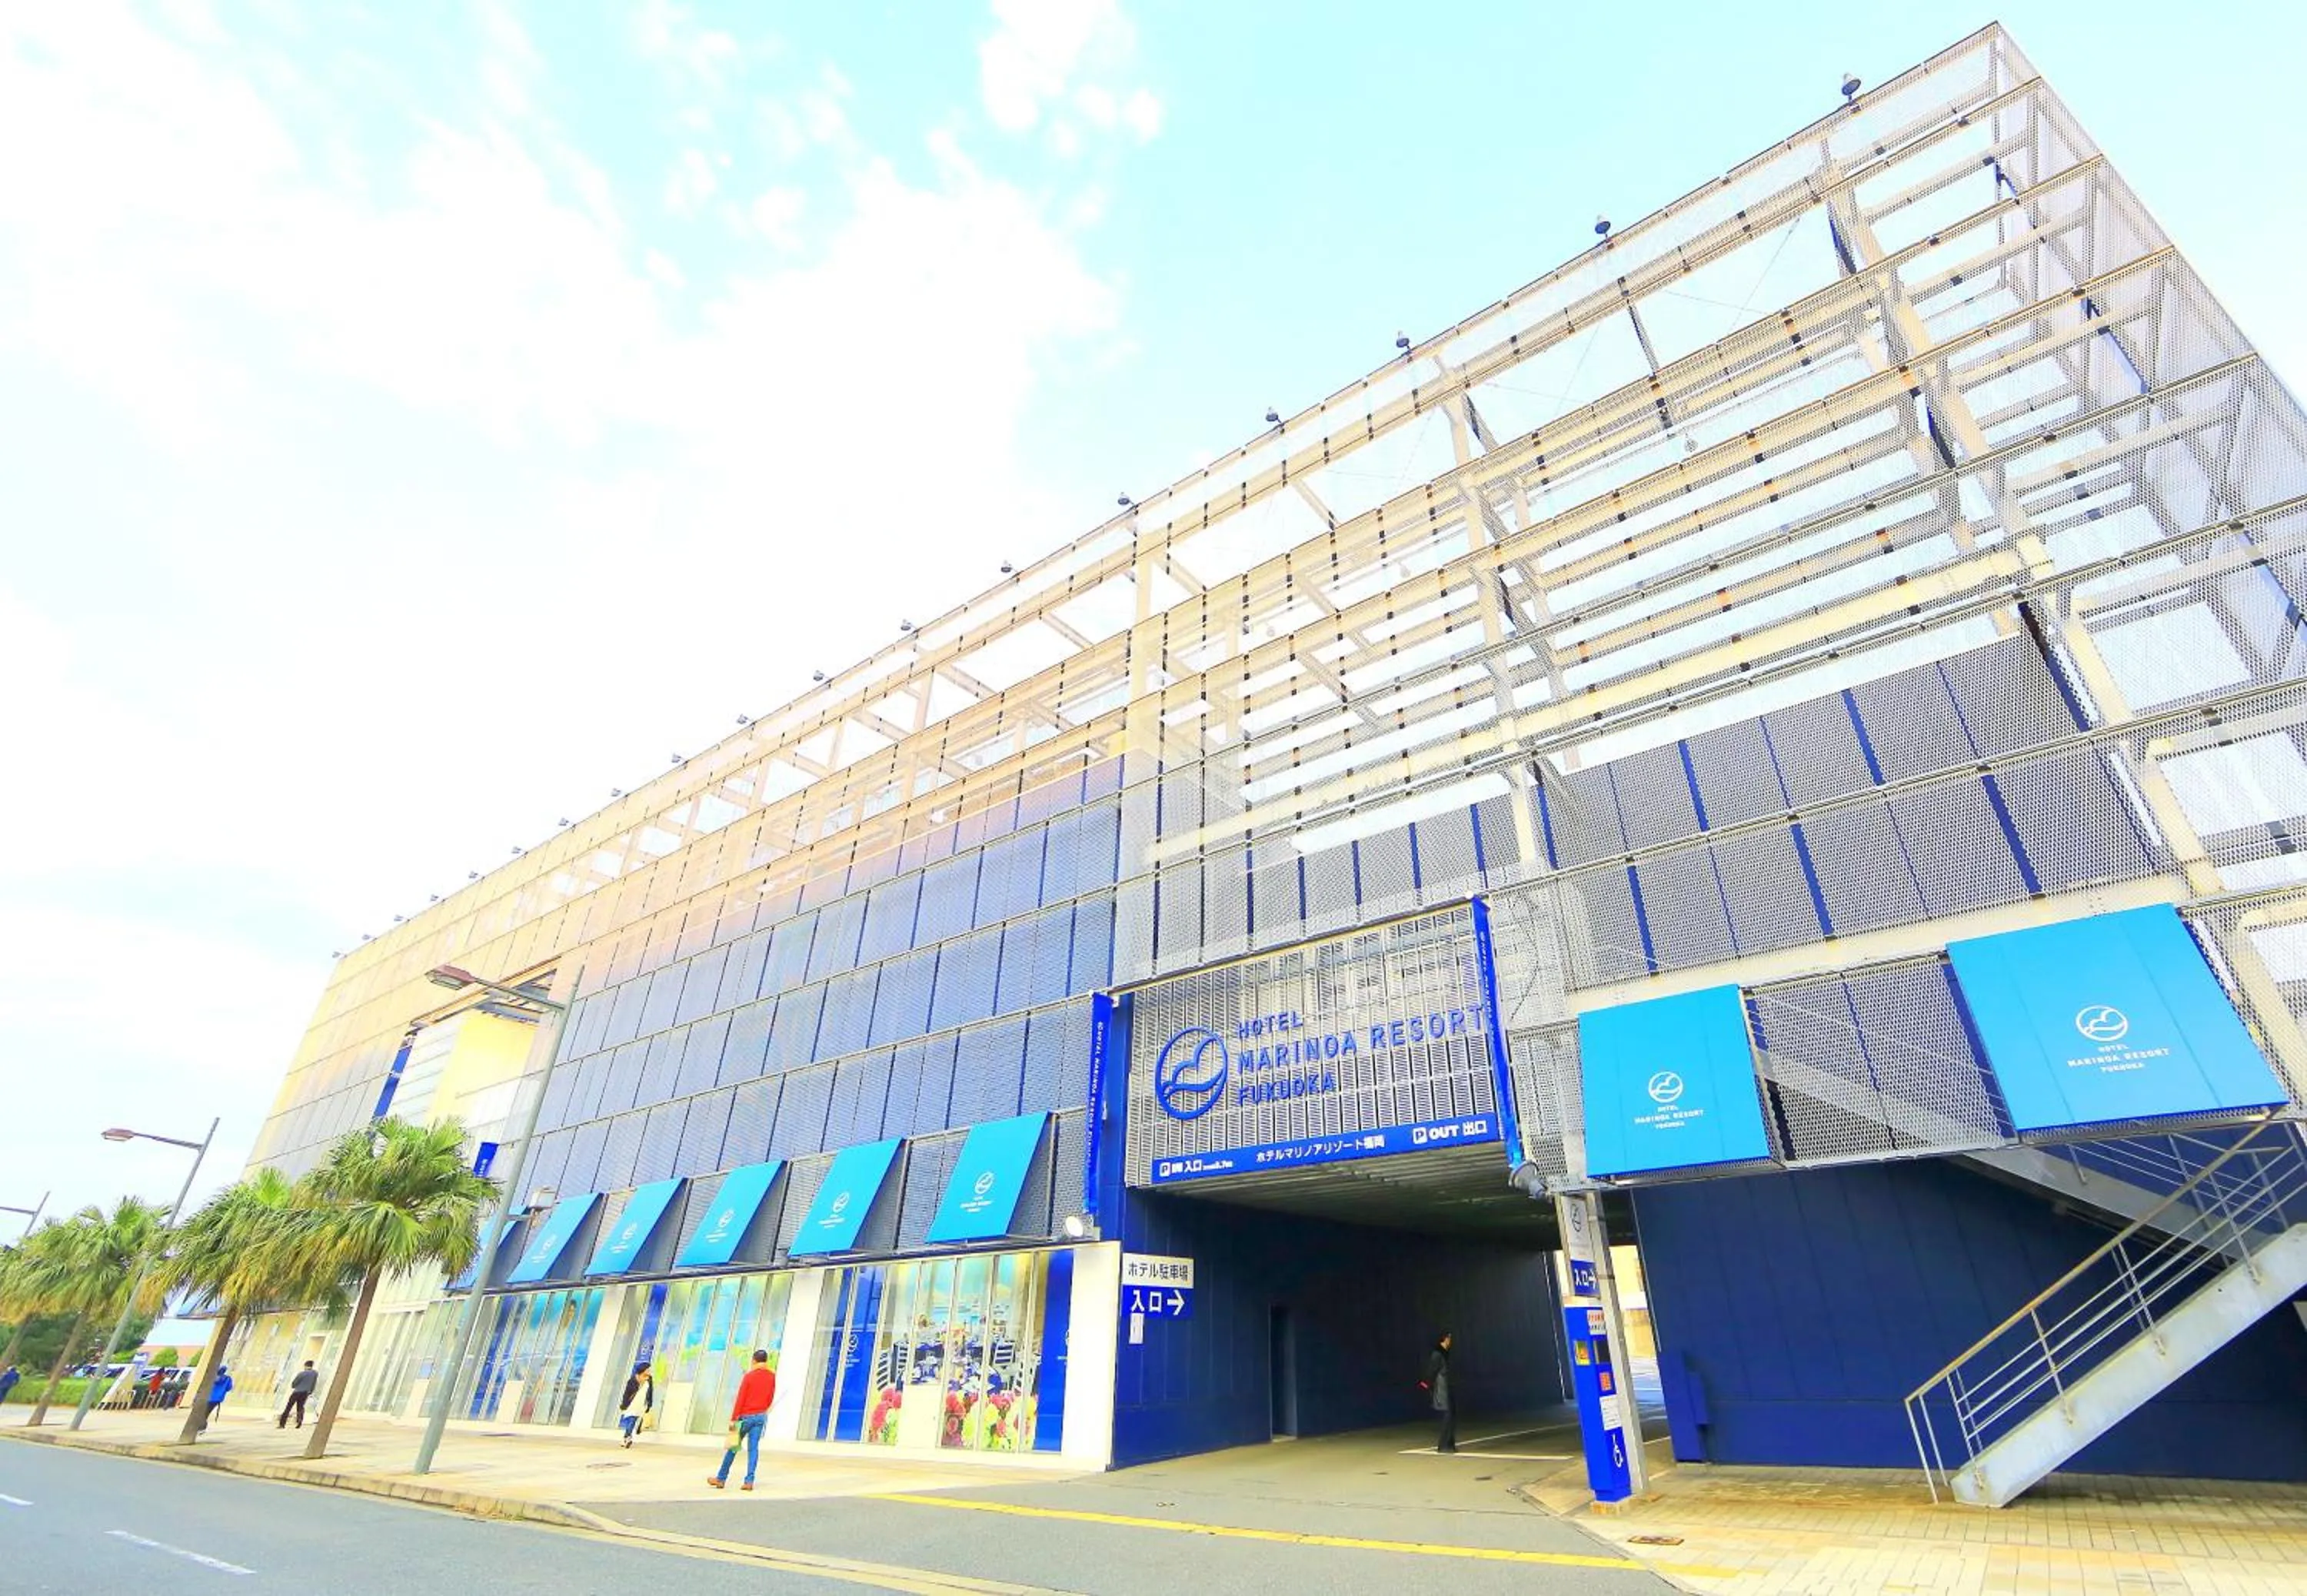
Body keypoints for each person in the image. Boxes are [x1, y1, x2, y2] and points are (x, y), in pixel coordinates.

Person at [707, 1349, 776, 1492]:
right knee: (753, 1449)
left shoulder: (749, 1376)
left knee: (732, 1448)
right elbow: (770, 1397)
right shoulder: (771, 1377)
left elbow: (741, 1398)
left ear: (754, 1360)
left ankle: (721, 1478)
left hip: (744, 1416)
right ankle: (749, 1481)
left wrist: (733, 1419)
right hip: (760, 1417)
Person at [1420, 1332, 1456, 1454]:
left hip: (1447, 1387)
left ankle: (1450, 1444)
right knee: (1447, 1415)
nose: (1450, 1341)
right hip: (1441, 1389)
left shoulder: (1445, 1353)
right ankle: (1443, 1446)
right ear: (1445, 1339)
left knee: (1451, 1415)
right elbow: (1432, 1371)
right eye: (1449, 1338)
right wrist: (1426, 1384)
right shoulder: (1438, 1353)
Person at [618, 1359, 654, 1448]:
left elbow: (651, 1392)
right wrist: (624, 1404)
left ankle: (627, 1437)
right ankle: (627, 1437)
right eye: (648, 1369)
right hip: (632, 1403)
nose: (649, 1371)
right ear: (643, 1370)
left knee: (633, 1421)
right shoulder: (633, 1380)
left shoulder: (649, 1380)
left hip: (641, 1404)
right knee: (632, 1420)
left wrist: (649, 1403)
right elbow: (627, 1393)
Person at [278, 1361, 318, 1428]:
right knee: (300, 1407)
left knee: (288, 1407)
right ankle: (299, 1421)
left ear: (305, 1366)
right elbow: (314, 1384)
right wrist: (310, 1391)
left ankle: (282, 1424)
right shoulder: (314, 1374)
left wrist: (294, 1385)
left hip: (297, 1392)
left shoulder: (302, 1374)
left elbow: (294, 1384)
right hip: (305, 1393)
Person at [198, 1364, 233, 1431]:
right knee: (206, 1413)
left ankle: (202, 1427)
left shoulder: (212, 1377)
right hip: (217, 1399)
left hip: (208, 1397)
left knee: (202, 1413)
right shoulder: (228, 1378)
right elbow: (229, 1388)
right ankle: (201, 1427)